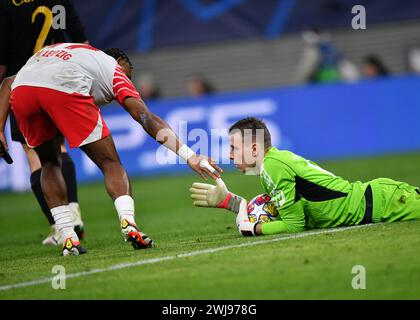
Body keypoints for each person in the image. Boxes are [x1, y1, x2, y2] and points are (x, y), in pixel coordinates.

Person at [1, 43, 221, 256]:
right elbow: (145, 117)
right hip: (64, 85)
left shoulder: (72, 53)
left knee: (48, 162)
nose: (128, 83)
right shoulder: (113, 69)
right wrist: (189, 155)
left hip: (23, 91)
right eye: (128, 76)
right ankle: (129, 224)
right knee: (110, 163)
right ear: (119, 62)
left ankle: (68, 237)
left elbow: (9, 81)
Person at [190, 117, 420, 236]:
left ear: (253, 149)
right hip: (380, 200)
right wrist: (234, 204)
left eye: (234, 148)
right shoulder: (273, 163)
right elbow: (296, 211)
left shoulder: (273, 168)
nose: (229, 156)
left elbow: (294, 225)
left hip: (385, 204)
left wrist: (252, 229)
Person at [0, 0, 89, 245]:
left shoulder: (8, 4)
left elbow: (4, 60)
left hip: (24, 84)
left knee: (35, 154)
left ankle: (60, 227)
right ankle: (73, 211)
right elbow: (81, 41)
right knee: (59, 147)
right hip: (60, 79)